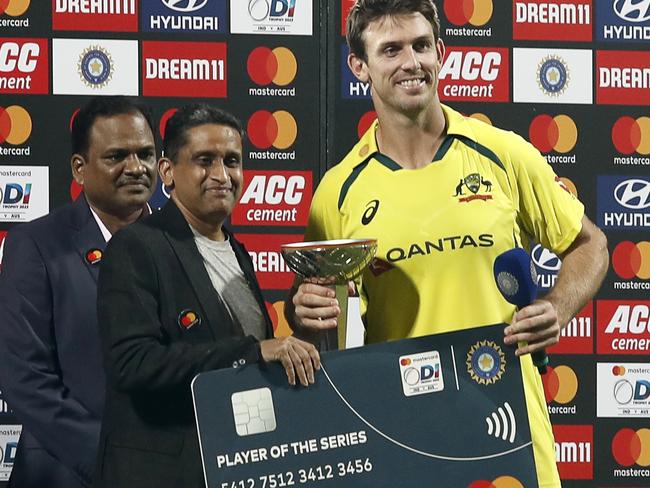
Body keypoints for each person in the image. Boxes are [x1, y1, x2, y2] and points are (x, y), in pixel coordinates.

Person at [286, 1, 608, 486]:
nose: (410, 62)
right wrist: (306, 315)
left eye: (420, 45)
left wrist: (559, 307)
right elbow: (330, 327)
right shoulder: (338, 191)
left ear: (441, 51)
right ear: (359, 66)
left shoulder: (503, 153)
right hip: (402, 433)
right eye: (390, 50)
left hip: (509, 422)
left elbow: (591, 244)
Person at [92, 104, 320, 488]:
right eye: (204, 160)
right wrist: (254, 351)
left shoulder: (238, 252)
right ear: (167, 172)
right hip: (163, 475)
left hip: (236, 466)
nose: (221, 175)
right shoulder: (136, 246)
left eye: (232, 161)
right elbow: (133, 364)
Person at [0, 96, 157, 488]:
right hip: (70, 473)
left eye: (146, 154)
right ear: (79, 169)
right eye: (117, 156)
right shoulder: (35, 245)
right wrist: (109, 460)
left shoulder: (183, 243)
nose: (135, 168)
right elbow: (23, 377)